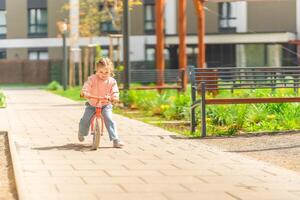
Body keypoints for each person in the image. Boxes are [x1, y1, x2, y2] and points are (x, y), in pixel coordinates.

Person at [78, 57, 124, 148]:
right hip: (92, 104)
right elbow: (87, 86)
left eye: (106, 72)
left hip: (105, 105)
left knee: (109, 119)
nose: (103, 74)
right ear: (96, 70)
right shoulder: (92, 79)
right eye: (101, 72)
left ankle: (115, 139)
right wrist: (85, 92)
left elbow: (115, 91)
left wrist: (114, 97)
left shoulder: (112, 81)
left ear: (110, 71)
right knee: (85, 119)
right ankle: (81, 132)